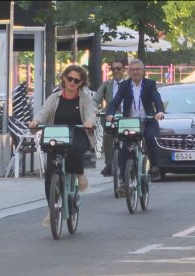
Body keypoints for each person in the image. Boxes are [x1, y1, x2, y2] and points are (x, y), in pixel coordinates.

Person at [29, 64, 96, 226]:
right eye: (69, 78)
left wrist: (89, 122)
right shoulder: (55, 98)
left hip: (78, 132)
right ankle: (52, 209)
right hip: (57, 134)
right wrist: (36, 121)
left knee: (74, 148)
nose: (72, 82)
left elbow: (90, 112)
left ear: (81, 83)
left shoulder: (84, 98)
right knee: (51, 170)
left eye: (76, 80)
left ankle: (79, 175)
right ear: (64, 78)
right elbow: (43, 112)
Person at [105, 59, 165, 195]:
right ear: (129, 72)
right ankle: (124, 181)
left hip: (147, 121)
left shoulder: (150, 84)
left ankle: (155, 167)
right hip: (130, 122)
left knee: (150, 138)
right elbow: (115, 102)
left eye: (138, 69)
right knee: (124, 148)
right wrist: (109, 114)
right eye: (132, 70)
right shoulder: (124, 85)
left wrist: (160, 111)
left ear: (143, 71)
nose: (136, 72)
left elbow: (157, 99)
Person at [93, 59, 126, 176]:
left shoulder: (129, 84)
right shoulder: (106, 85)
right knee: (108, 137)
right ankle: (108, 164)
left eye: (119, 68)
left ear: (124, 69)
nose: (116, 71)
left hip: (126, 118)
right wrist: (94, 108)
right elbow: (95, 99)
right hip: (110, 118)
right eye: (113, 69)